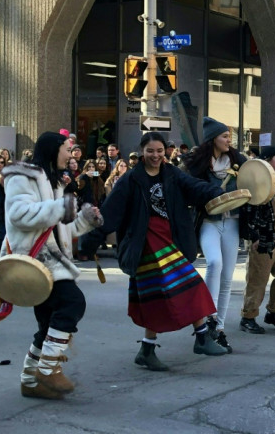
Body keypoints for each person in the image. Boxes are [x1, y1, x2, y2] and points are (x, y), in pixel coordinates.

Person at [86, 132, 227, 371]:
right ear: (142, 152)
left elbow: (194, 186)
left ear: (166, 152)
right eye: (150, 151)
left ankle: (152, 348)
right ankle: (197, 338)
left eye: (160, 151)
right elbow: (111, 212)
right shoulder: (131, 179)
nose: (155, 155)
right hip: (145, 243)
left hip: (169, 239)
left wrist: (217, 192)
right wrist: (89, 242)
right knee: (183, 286)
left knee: (159, 296)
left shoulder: (171, 173)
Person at [4, 131, 103, 399]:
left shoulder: (55, 182)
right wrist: (62, 207)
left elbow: (60, 230)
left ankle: (30, 381)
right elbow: (19, 215)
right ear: (53, 149)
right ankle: (47, 370)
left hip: (52, 261)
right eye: (67, 149)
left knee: (48, 323)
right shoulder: (22, 176)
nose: (71, 155)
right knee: (72, 303)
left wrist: (83, 219)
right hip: (35, 261)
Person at [184, 117, 246, 350]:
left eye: (229, 136)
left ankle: (219, 327)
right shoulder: (197, 165)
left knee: (228, 278)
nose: (228, 140)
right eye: (224, 136)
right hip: (209, 221)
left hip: (233, 222)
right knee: (213, 263)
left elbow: (255, 183)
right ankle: (208, 319)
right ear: (213, 140)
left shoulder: (239, 161)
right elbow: (188, 190)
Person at [240, 146, 275, 333]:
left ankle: (274, 312)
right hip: (262, 234)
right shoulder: (256, 179)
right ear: (267, 160)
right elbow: (247, 210)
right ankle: (248, 316)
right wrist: (253, 235)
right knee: (258, 278)